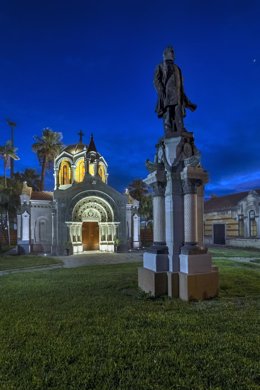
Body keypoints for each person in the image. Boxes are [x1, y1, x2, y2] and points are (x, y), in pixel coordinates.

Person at [154, 46, 197, 136]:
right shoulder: (161, 66)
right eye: (171, 52)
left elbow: (181, 86)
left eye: (173, 52)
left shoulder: (177, 68)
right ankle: (168, 130)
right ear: (166, 54)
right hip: (167, 94)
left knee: (178, 112)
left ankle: (180, 128)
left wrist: (187, 102)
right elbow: (156, 80)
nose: (173, 54)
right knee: (168, 112)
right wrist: (161, 91)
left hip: (177, 94)